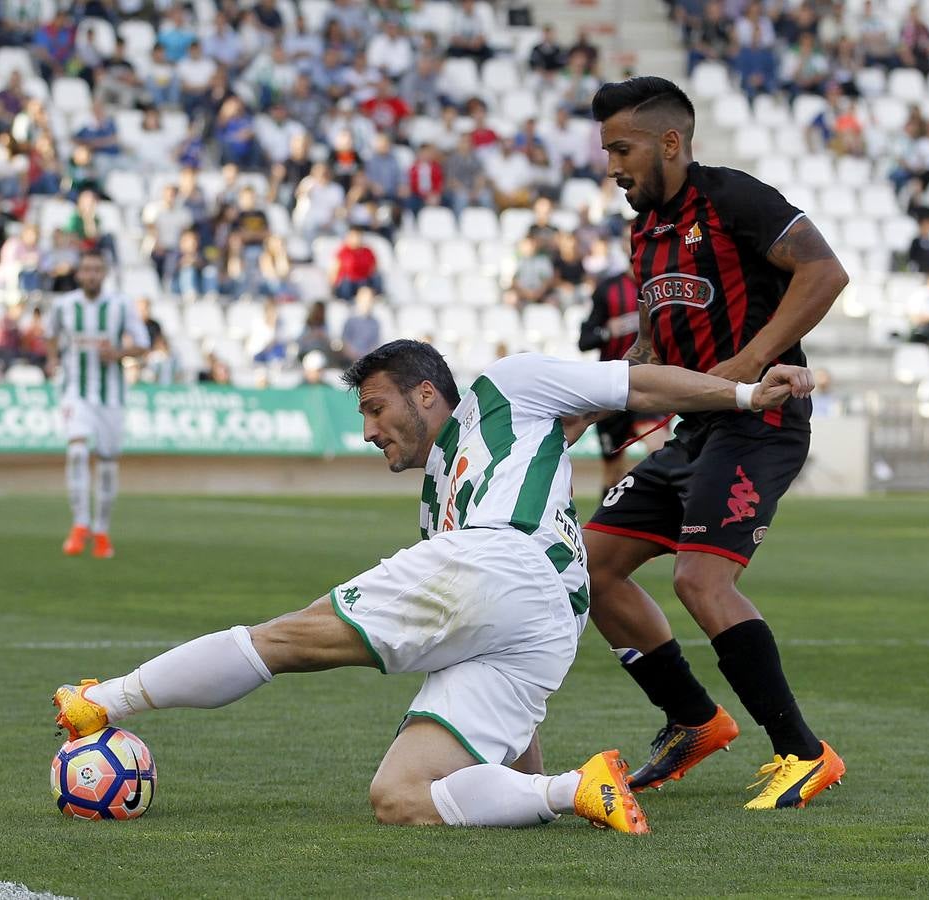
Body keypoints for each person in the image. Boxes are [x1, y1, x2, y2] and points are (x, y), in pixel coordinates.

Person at [54, 339, 813, 830]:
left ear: (424, 393)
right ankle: (575, 790)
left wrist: (745, 396)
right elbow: (481, 621)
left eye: (374, 407)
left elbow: (631, 383)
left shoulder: (509, 386)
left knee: (288, 637)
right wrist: (524, 770)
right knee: (401, 798)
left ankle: (103, 698)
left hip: (504, 561)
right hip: (545, 617)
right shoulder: (442, 495)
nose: (367, 430)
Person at [580, 76, 849, 809]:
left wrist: (750, 359)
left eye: (621, 147)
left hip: (758, 422)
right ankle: (694, 721)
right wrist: (584, 402)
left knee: (700, 580)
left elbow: (825, 272)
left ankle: (803, 752)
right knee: (590, 567)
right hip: (696, 429)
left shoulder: (732, 198)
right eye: (606, 150)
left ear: (670, 142)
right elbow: (649, 343)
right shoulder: (646, 230)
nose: (612, 165)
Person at [46, 251, 151, 560]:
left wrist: (118, 353)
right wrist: (53, 359)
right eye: (86, 269)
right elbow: (50, 336)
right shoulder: (65, 306)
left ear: (103, 274)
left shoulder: (120, 305)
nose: (91, 275)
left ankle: (102, 531)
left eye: (96, 270)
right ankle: (80, 524)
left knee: (106, 465)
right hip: (75, 392)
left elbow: (143, 344)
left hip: (112, 397)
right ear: (79, 274)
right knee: (77, 451)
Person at [578, 263, 668, 496]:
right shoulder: (608, 289)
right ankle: (607, 526)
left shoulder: (666, 285)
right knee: (612, 472)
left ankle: (658, 513)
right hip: (613, 387)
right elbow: (585, 340)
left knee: (659, 449)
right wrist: (607, 332)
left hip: (650, 384)